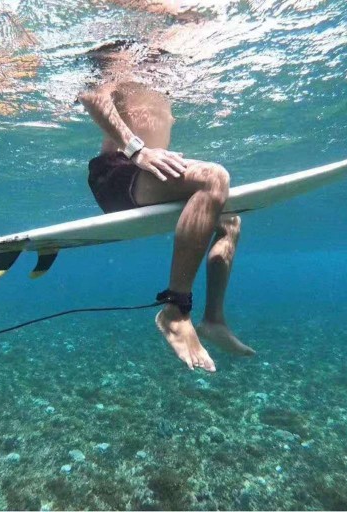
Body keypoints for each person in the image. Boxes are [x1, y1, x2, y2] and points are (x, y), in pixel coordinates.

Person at [77, 1, 255, 372]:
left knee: (229, 218)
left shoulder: (166, 60)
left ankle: (213, 319)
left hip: (145, 172)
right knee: (214, 177)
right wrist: (137, 150)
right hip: (116, 174)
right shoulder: (119, 49)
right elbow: (93, 96)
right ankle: (175, 311)